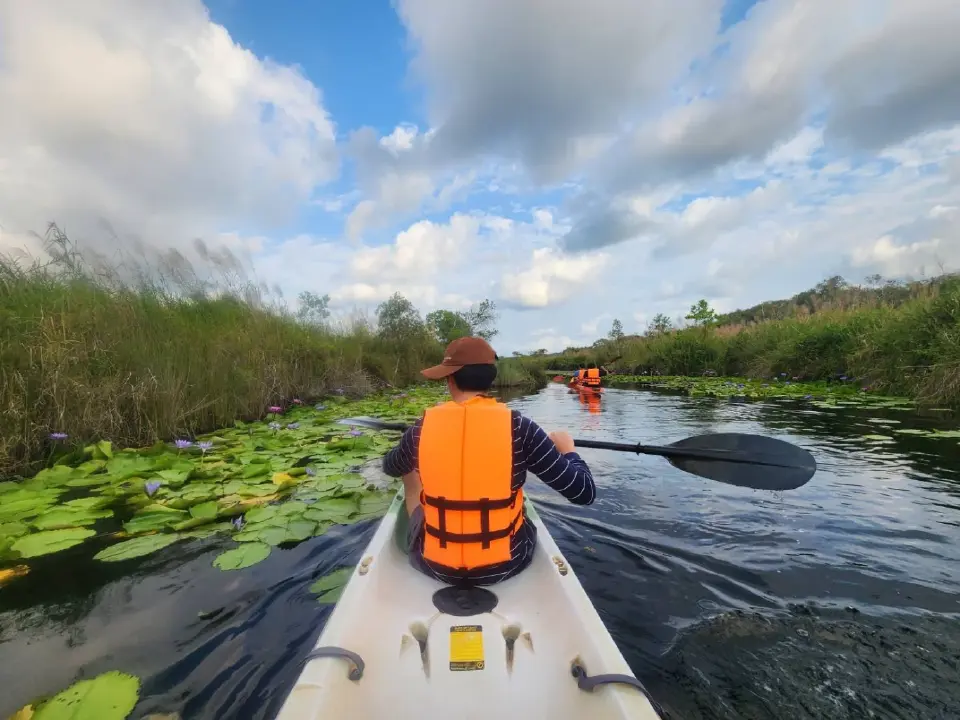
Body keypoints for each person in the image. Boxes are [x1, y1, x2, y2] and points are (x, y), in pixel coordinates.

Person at [382, 337, 596, 585]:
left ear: (450, 380)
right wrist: (568, 451)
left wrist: (413, 441)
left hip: (434, 564)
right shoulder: (520, 428)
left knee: (407, 471)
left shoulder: (422, 428)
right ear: (490, 380)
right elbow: (584, 492)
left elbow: (390, 467)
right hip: (507, 564)